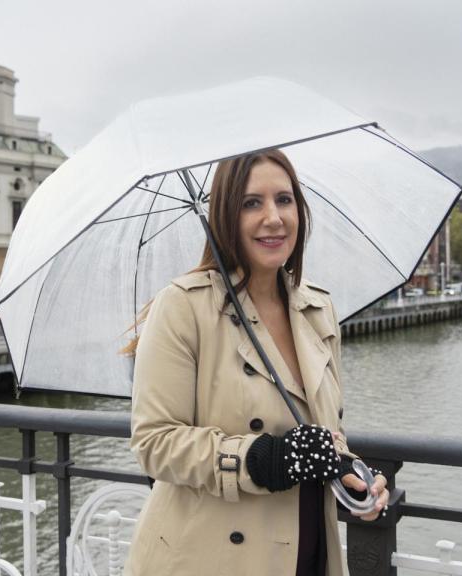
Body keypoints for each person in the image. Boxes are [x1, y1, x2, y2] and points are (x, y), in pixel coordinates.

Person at [124, 149, 389, 575]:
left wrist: (346, 471)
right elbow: (154, 442)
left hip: (306, 547)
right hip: (213, 557)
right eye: (252, 203)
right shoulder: (184, 306)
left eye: (284, 200)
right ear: (227, 216)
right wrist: (262, 459)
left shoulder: (317, 309)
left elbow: (320, 428)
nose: (273, 217)